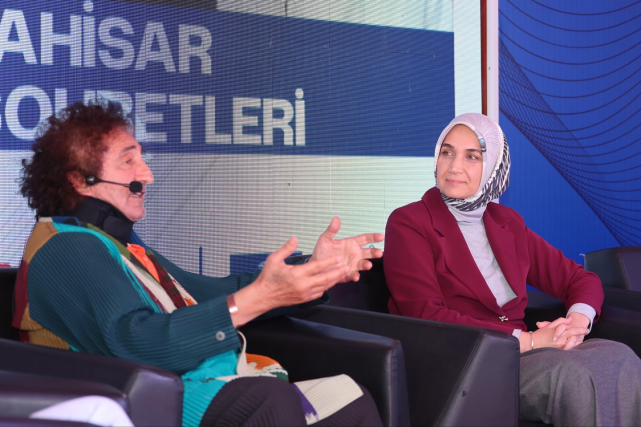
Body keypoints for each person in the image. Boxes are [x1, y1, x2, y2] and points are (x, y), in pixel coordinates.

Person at [14, 100, 384, 427]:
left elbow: (208, 293)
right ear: (80, 181)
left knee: (347, 399)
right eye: (128, 161)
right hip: (134, 399)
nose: (147, 174)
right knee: (268, 400)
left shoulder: (116, 241)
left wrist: (315, 269)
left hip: (187, 383)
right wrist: (258, 299)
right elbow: (136, 341)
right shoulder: (66, 247)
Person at [384, 113, 641, 426]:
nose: (454, 167)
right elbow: (426, 316)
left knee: (620, 357)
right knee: (574, 376)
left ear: (493, 166)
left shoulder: (507, 222)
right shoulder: (409, 222)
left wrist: (576, 322)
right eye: (447, 152)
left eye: (472, 156)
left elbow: (579, 279)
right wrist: (529, 340)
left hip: (525, 352)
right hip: (465, 360)